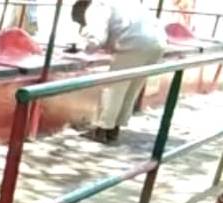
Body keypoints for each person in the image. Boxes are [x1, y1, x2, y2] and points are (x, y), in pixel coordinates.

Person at [71, 0, 167, 144]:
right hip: (157, 43)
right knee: (132, 88)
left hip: (134, 45)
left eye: (82, 23)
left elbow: (96, 38)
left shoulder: (97, 6)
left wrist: (80, 49)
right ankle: (114, 128)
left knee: (114, 88)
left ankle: (102, 129)